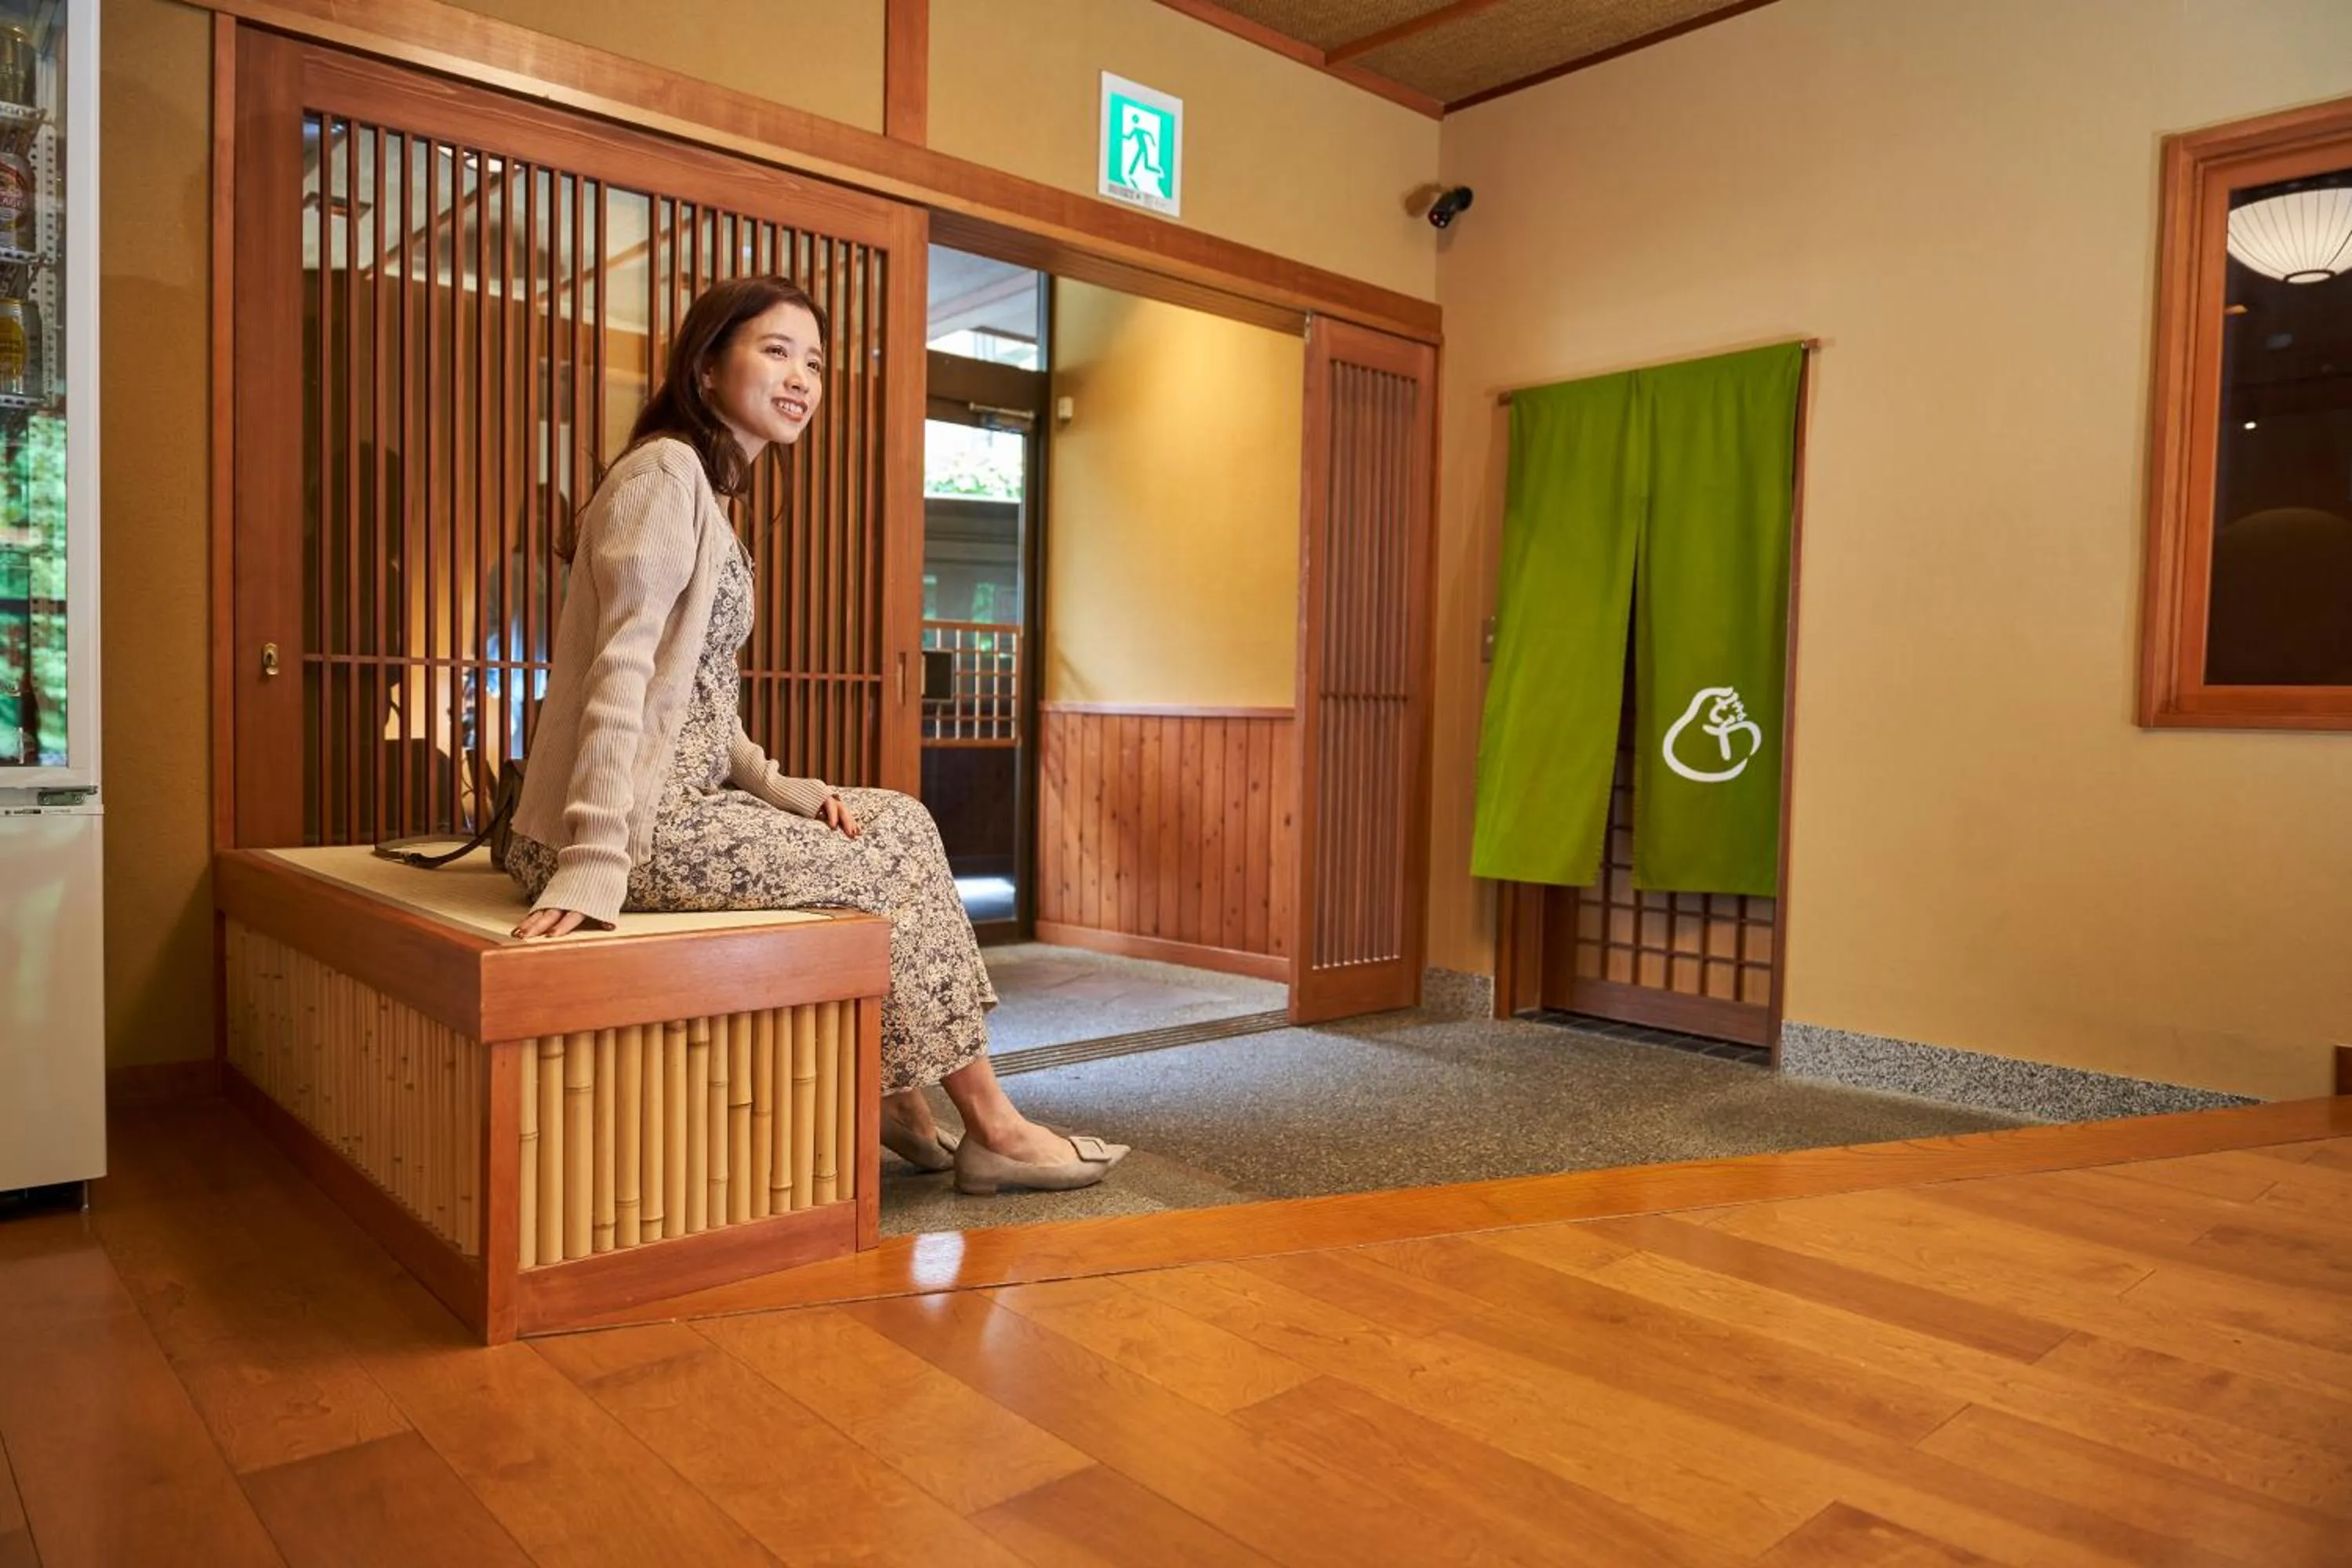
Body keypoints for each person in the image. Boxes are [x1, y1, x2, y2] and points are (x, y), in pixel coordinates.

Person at [503, 275, 1124, 1197]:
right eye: (775, 351)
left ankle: (906, 1101)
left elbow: (703, 704)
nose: (801, 377)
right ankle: (992, 1126)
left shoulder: (709, 489)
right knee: (885, 867)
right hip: (628, 826)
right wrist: (594, 856)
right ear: (708, 367)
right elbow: (619, 675)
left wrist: (784, 788)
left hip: (684, 801)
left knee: (901, 821)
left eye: (816, 361)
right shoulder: (664, 476)